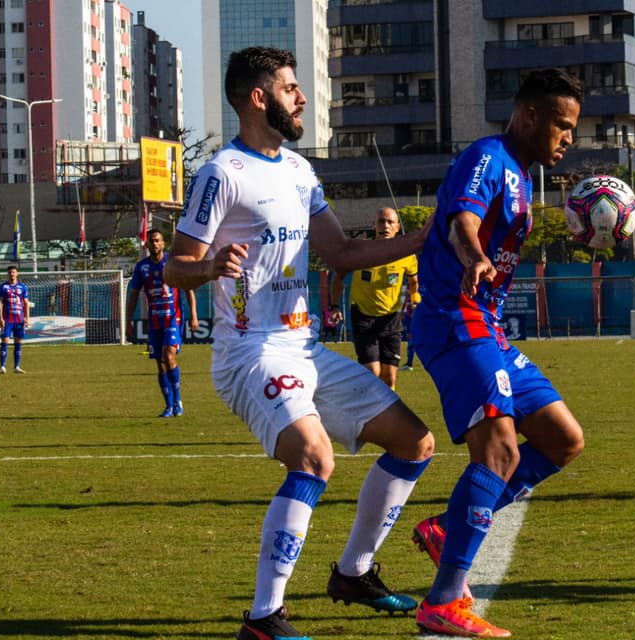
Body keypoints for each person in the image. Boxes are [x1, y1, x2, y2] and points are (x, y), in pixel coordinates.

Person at [162, 46, 435, 640]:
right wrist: (209, 269)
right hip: (249, 353)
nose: (302, 97)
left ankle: (353, 574)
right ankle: (264, 618)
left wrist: (423, 238)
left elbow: (341, 254)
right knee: (314, 459)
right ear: (259, 99)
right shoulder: (221, 174)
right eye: (290, 88)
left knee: (415, 443)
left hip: (304, 348)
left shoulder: (299, 170)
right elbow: (174, 267)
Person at [410, 68, 586, 638]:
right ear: (529, 115)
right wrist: (472, 256)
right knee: (501, 451)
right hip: (452, 320)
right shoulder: (487, 158)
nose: (567, 137)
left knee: (563, 439)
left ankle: (448, 529)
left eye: (572, 128)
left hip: (487, 327)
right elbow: (462, 219)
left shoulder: (526, 176)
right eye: (561, 125)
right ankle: (442, 602)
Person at [329, 207, 420, 389]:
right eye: (381, 221)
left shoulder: (406, 255)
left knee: (389, 378)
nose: (385, 226)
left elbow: (413, 280)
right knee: (373, 372)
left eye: (390, 222)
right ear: (374, 225)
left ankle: (386, 413)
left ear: (397, 227)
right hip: (363, 316)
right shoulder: (360, 250)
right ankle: (369, 411)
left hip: (391, 319)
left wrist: (415, 298)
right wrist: (334, 306)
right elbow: (338, 276)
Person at [125, 229, 199, 418]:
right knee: (160, 363)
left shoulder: (172, 264)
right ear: (147, 244)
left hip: (173, 319)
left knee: (169, 356)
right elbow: (133, 295)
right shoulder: (142, 268)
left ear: (163, 243)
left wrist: (194, 315)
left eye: (157, 240)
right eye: (151, 241)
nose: (154, 244)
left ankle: (178, 402)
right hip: (154, 321)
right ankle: (168, 406)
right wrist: (128, 322)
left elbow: (188, 288)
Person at [0, 265, 29, 374]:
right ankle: (2, 366)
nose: (12, 274)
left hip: (19, 319)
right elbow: (0, 302)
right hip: (7, 319)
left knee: (18, 342)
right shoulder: (3, 287)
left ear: (17, 273)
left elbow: (26, 303)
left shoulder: (22, 287)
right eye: (10, 272)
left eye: (14, 272)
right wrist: (0, 318)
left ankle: (16, 367)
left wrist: (27, 318)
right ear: (7, 274)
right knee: (5, 340)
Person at [399, 292, 416, 371]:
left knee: (411, 338)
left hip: (415, 315)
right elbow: (406, 299)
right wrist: (402, 311)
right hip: (408, 315)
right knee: (409, 337)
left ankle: (409, 364)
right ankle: (409, 363)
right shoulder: (410, 283)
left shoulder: (421, 284)